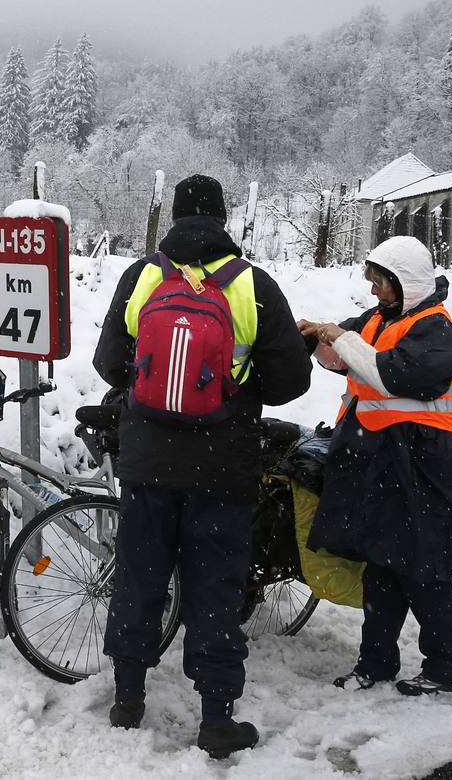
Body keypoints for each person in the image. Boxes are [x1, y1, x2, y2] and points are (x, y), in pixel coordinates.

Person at [94, 174, 311, 757]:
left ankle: (128, 697)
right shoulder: (252, 285)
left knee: (139, 578)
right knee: (215, 588)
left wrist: (155, 391)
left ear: (176, 222)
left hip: (146, 465)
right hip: (223, 467)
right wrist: (234, 395)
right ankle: (216, 717)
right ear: (222, 220)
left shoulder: (142, 277)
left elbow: (109, 361)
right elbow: (293, 379)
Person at [297, 235, 452, 696]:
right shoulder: (381, 319)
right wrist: (315, 336)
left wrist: (340, 336)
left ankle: (448, 667)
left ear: (409, 283)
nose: (375, 290)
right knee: (381, 567)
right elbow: (344, 359)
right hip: (383, 463)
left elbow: (389, 372)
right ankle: (376, 664)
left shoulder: (437, 331)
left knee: (425, 571)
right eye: (374, 281)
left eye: (383, 282)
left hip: (427, 467)